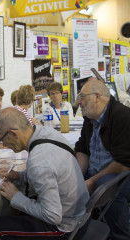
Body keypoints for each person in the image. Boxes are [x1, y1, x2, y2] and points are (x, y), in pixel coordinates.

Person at [0, 107, 90, 240]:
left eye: (1, 139)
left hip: (67, 229)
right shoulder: (47, 132)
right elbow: (51, 170)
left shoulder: (39, 160)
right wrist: (20, 176)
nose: (4, 145)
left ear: (13, 134)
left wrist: (15, 197)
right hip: (82, 215)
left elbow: (52, 216)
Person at [75, 79, 130, 240]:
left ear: (97, 96)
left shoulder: (122, 116)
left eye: (82, 97)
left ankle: (121, 235)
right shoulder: (89, 119)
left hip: (121, 175)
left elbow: (124, 163)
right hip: (97, 174)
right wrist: (77, 179)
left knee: (106, 184)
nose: (79, 103)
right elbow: (83, 149)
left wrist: (92, 181)